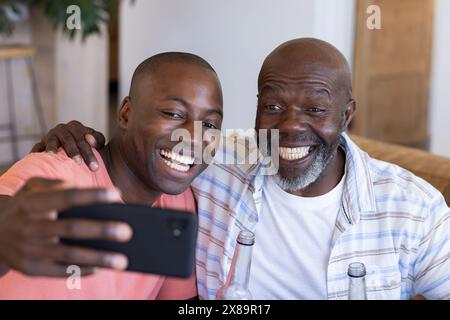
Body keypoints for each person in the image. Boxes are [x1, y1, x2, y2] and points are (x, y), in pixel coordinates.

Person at [32, 38, 450, 300]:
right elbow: (147, 147)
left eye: (316, 109)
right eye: (271, 106)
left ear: (346, 116)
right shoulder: (216, 160)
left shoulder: (411, 209)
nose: (289, 126)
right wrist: (78, 137)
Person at [0, 52, 223, 299]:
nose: (193, 136)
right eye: (173, 114)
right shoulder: (57, 172)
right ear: (126, 113)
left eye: (210, 125)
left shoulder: (178, 205)